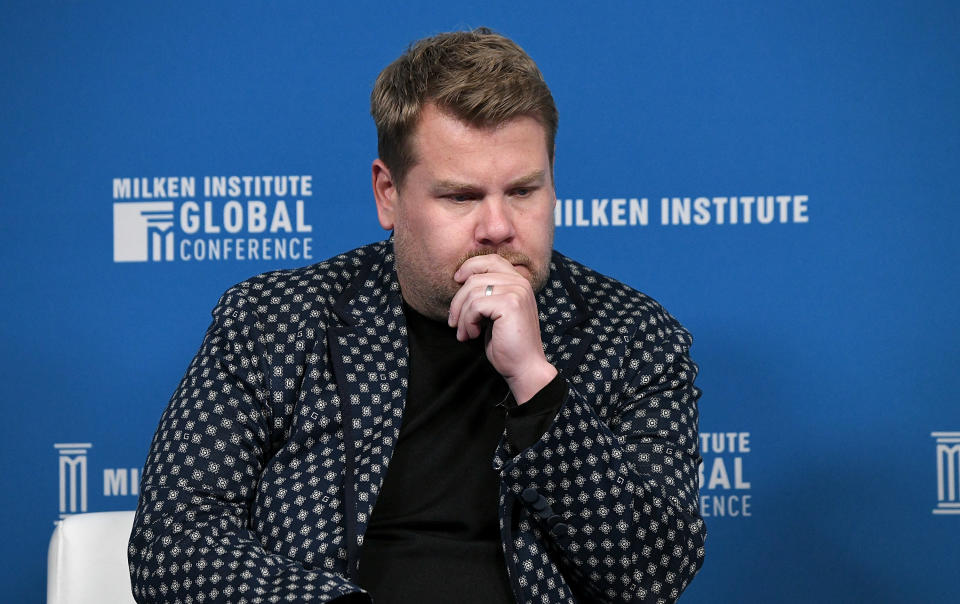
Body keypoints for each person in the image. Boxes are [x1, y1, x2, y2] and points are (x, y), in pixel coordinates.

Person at [129, 28, 705, 604]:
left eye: (524, 191)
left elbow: (649, 577)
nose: (499, 227)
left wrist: (536, 382)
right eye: (461, 197)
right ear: (388, 194)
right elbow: (172, 543)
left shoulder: (631, 336)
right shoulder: (273, 323)